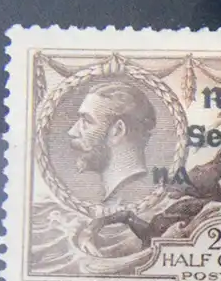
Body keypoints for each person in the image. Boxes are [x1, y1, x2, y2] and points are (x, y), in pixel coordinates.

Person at [65, 77, 157, 207]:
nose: (72, 132)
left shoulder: (132, 199)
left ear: (118, 130)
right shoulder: (126, 198)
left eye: (87, 121)